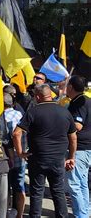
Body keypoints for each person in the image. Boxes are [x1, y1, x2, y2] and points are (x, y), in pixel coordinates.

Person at [13, 84, 77, 218]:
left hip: (38, 158)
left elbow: (17, 133)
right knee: (58, 192)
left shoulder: (33, 111)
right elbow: (73, 137)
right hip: (58, 159)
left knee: (37, 192)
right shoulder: (64, 111)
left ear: (37, 96)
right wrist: (71, 157)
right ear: (51, 95)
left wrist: (20, 152)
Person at [66, 75, 91, 218]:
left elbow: (77, 126)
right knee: (82, 183)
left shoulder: (79, 102)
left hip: (80, 149)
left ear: (71, 87)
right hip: (86, 148)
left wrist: (61, 123)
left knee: (75, 185)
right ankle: (85, 213)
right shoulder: (87, 100)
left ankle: (81, 215)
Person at [3, 93, 26, 218]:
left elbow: (9, 138)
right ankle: (20, 215)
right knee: (19, 187)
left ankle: (5, 213)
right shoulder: (20, 114)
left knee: (4, 189)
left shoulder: (0, 117)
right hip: (20, 158)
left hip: (5, 159)